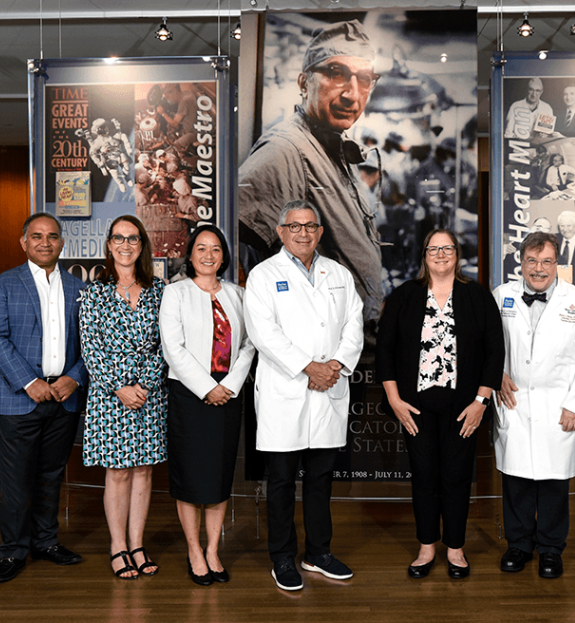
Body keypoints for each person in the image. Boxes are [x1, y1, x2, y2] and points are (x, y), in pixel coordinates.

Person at [243, 200, 364, 592]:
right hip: (286, 389)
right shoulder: (263, 275)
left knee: (320, 478)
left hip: (328, 387)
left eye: (310, 226)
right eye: (294, 227)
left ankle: (318, 552)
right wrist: (309, 367)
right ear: (281, 232)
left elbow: (353, 326)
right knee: (280, 481)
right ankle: (282, 556)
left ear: (320, 232)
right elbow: (263, 333)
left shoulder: (339, 274)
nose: (303, 233)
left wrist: (336, 366)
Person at [239, 19, 385, 327]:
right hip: (314, 347)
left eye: (365, 79)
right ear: (304, 82)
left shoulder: (333, 149)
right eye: (336, 74)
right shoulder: (284, 149)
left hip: (351, 343)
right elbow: (233, 245)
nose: (352, 94)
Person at [377, 229, 503, 580]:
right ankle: (426, 546)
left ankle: (456, 548)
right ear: (424, 254)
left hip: (463, 407)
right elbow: (384, 351)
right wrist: (394, 400)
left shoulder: (477, 296)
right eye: (434, 248)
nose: (441, 254)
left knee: (457, 477)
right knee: (424, 476)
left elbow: (495, 352)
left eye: (447, 248)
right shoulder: (404, 296)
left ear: (457, 254)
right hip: (414, 407)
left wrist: (481, 401)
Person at [0, 213, 88, 583]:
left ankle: (45, 542)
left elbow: (90, 345)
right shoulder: (3, 284)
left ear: (62, 243)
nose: (45, 242)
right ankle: (13, 551)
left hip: (63, 398)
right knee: (15, 480)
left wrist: (74, 379)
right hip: (18, 398)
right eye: (37, 236)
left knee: (51, 475)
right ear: (23, 242)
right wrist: (29, 381)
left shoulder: (79, 289)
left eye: (53, 236)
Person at [492, 231, 575, 579]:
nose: (538, 269)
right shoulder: (501, 297)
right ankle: (519, 544)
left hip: (560, 404)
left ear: (557, 263)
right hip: (513, 401)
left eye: (546, 262)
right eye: (531, 261)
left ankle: (551, 548)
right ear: (520, 262)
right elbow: (484, 344)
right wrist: (495, 375)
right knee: (516, 479)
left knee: (554, 482)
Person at [160, 225, 256, 586]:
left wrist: (229, 385)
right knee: (189, 478)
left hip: (228, 397)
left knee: (218, 478)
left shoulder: (237, 294)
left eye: (215, 249)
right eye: (201, 248)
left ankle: (213, 549)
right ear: (191, 254)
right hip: (189, 396)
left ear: (224, 255)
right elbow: (174, 348)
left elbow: (249, 344)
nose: (208, 255)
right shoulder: (176, 293)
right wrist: (206, 388)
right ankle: (194, 551)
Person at [79, 215, 167, 580]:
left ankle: (137, 544)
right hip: (108, 396)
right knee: (117, 473)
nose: (126, 245)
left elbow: (167, 344)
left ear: (142, 245)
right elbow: (90, 349)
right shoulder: (94, 293)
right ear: (110, 244)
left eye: (133, 238)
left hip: (150, 394)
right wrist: (119, 386)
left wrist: (143, 385)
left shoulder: (161, 291)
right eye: (119, 238)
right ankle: (118, 547)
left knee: (143, 471)